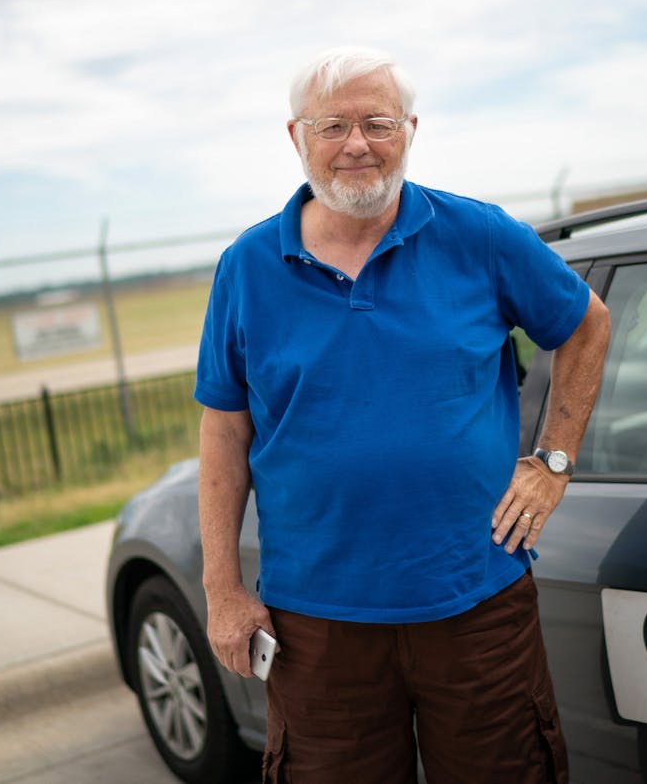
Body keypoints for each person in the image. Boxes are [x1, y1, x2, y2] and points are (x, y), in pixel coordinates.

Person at [194, 46, 611, 783]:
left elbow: (586, 325)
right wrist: (223, 591)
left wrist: (552, 462)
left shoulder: (478, 236)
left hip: (475, 602)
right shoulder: (248, 267)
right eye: (333, 126)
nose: (356, 144)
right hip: (317, 624)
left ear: (410, 130)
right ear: (297, 138)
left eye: (377, 123)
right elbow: (225, 430)